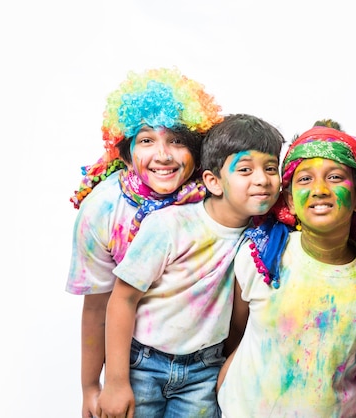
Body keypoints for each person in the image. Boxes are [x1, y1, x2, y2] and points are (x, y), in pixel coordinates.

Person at [96, 113, 284, 418]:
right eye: (246, 170)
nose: (262, 179)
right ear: (213, 181)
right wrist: (116, 382)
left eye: (271, 169)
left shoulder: (263, 238)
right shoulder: (170, 225)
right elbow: (122, 299)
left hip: (204, 371)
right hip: (144, 364)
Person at [65, 67, 223, 418]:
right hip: (134, 359)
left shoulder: (213, 199)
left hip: (203, 362)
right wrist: (93, 386)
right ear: (124, 152)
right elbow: (96, 307)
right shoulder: (103, 210)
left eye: (178, 140)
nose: (163, 156)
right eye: (147, 140)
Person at [217, 126, 356, 417]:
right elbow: (236, 334)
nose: (319, 190)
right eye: (305, 179)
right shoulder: (262, 256)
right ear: (290, 200)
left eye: (335, 177)